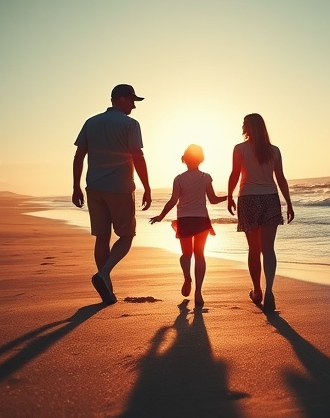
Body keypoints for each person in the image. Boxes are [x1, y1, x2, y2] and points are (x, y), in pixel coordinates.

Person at [72, 84, 151, 305]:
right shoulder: (131, 125)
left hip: (94, 187)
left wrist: (76, 186)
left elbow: (79, 156)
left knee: (102, 237)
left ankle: (106, 285)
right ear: (121, 99)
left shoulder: (91, 122)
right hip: (120, 188)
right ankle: (104, 274)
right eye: (132, 101)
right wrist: (147, 187)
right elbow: (137, 156)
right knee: (126, 236)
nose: (134, 106)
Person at [227, 113, 294, 312]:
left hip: (248, 199)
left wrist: (230, 195)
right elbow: (280, 178)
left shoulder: (240, 149)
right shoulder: (274, 150)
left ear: (247, 128)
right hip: (270, 199)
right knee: (268, 249)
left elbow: (235, 173)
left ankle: (257, 291)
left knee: (254, 250)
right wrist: (288, 202)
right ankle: (270, 290)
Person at [149, 144, 227, 307]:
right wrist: (228, 197)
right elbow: (213, 200)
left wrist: (161, 216)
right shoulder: (205, 177)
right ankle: (198, 291)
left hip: (184, 219)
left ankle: (187, 278)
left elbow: (173, 201)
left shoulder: (179, 178)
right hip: (201, 219)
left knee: (186, 254)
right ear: (201, 159)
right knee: (200, 255)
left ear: (184, 159)